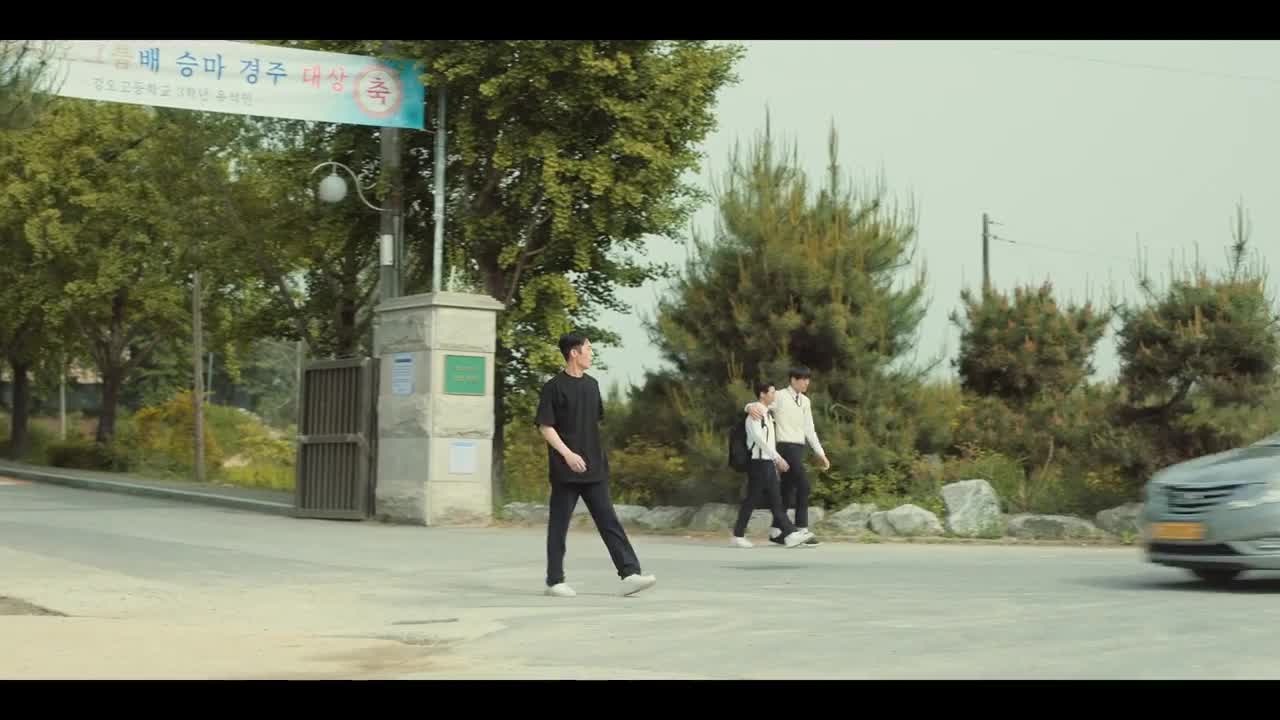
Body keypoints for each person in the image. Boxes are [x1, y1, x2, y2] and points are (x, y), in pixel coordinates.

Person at [536, 333, 657, 598]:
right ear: (574, 353)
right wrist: (568, 454)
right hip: (566, 469)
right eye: (588, 349)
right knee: (559, 525)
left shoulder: (592, 385)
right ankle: (554, 581)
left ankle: (630, 574)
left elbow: (592, 424)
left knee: (609, 521)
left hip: (594, 468)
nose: (592, 353)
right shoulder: (553, 387)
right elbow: (546, 426)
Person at [746, 366, 831, 546]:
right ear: (793, 380)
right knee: (804, 486)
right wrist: (749, 406)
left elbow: (809, 429)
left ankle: (776, 531)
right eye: (803, 379)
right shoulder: (780, 395)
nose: (807, 382)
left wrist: (820, 453)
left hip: (798, 447)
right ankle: (802, 529)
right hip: (784, 447)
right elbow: (761, 405)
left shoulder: (805, 401)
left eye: (808, 379)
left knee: (787, 490)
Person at [731, 381, 815, 549]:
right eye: (771, 392)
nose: (774, 395)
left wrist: (775, 459)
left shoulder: (767, 413)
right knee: (768, 500)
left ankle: (740, 535)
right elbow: (759, 439)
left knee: (761, 499)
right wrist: (778, 458)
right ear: (762, 394)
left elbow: (769, 440)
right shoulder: (755, 414)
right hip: (759, 463)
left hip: (767, 462)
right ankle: (789, 533)